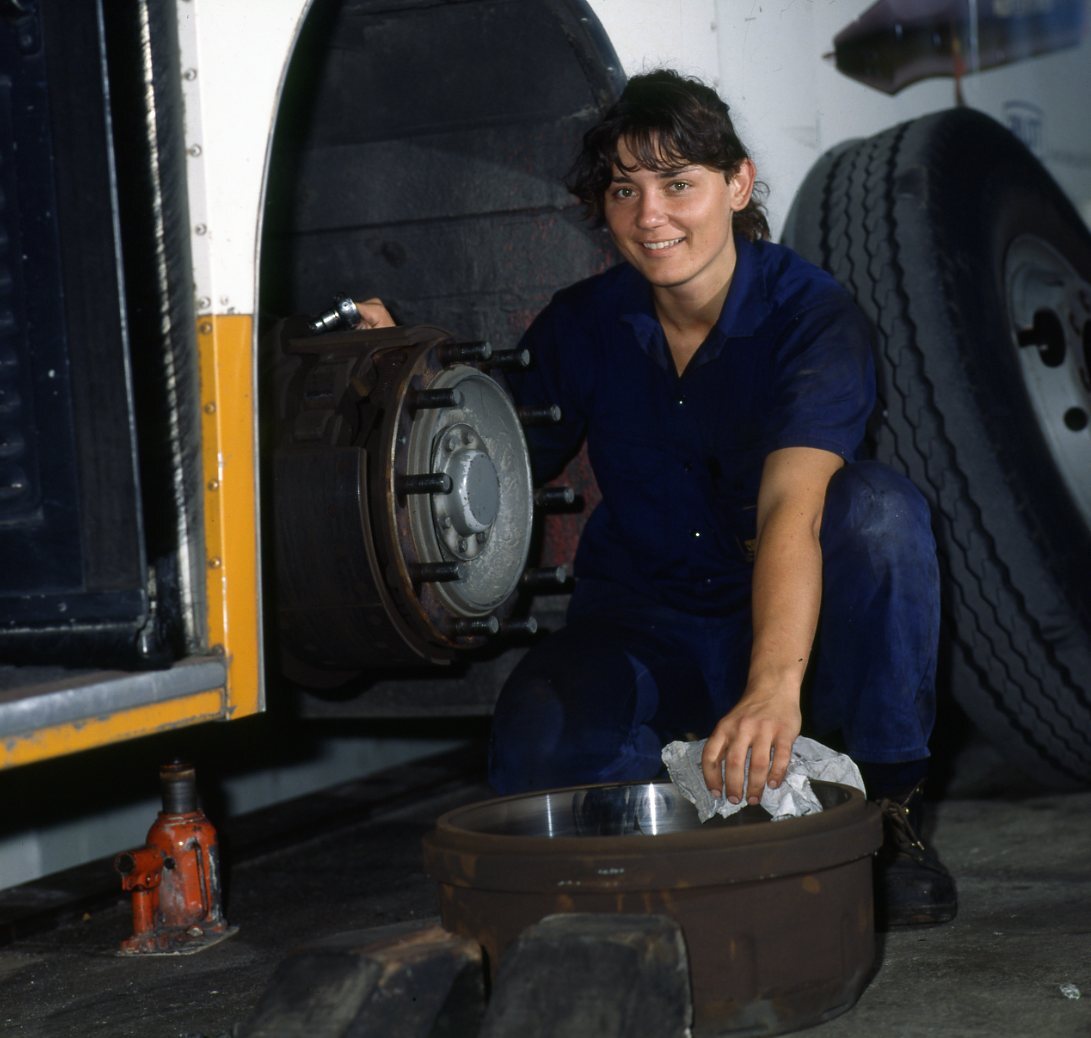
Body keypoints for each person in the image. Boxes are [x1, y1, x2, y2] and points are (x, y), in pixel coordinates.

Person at [356, 69, 956, 927]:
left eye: (679, 184)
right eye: (624, 190)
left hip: (791, 632)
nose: (650, 217)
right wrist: (397, 377)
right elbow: (488, 451)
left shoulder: (811, 317)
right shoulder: (584, 321)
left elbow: (796, 508)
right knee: (541, 740)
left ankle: (886, 812)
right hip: (643, 619)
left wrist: (772, 688)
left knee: (876, 514)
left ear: (736, 184)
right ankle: (656, 827)